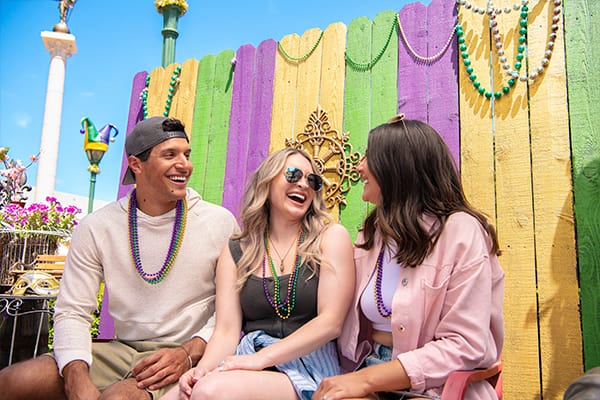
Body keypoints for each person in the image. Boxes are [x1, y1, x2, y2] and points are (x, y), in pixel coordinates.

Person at [0, 116, 239, 399]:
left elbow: (234, 308)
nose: (184, 165)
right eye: (169, 155)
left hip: (189, 352)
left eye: (186, 155)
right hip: (120, 349)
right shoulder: (97, 227)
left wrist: (190, 351)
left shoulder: (219, 222)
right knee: (13, 380)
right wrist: (76, 379)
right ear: (136, 165)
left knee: (118, 397)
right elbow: (73, 311)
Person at [313, 114, 505, 400]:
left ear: (397, 168)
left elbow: (465, 344)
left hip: (438, 385)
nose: (359, 166)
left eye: (369, 157)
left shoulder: (461, 231)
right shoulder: (372, 235)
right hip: (372, 369)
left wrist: (366, 380)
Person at [160, 147, 356, 400]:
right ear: (268, 181)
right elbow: (227, 332)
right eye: (293, 174)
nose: (304, 185)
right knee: (180, 394)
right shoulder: (236, 250)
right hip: (247, 358)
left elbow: (330, 323)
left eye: (312, 180)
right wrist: (202, 370)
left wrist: (259, 360)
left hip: (307, 367)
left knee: (211, 391)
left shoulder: (330, 238)